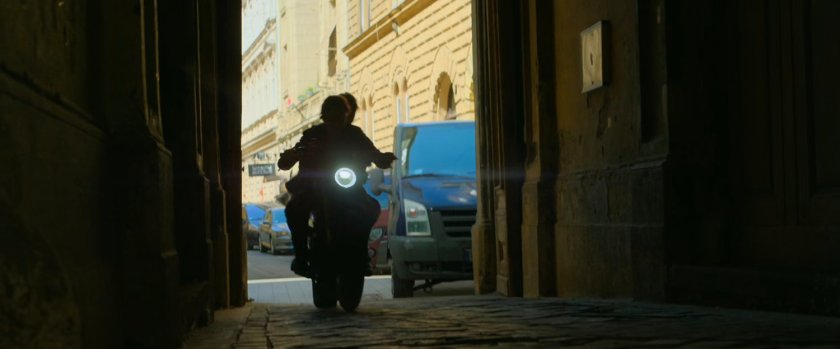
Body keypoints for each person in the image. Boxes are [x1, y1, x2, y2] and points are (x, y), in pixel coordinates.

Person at [278, 95, 395, 277]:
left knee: (371, 208)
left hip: (347, 187)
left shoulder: (354, 134)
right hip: (314, 187)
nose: (335, 123)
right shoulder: (312, 135)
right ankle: (301, 256)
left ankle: (362, 253)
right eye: (331, 118)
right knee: (294, 210)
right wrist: (292, 155)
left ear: (345, 117)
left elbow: (372, 152)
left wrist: (382, 158)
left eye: (339, 117)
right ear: (324, 117)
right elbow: (291, 156)